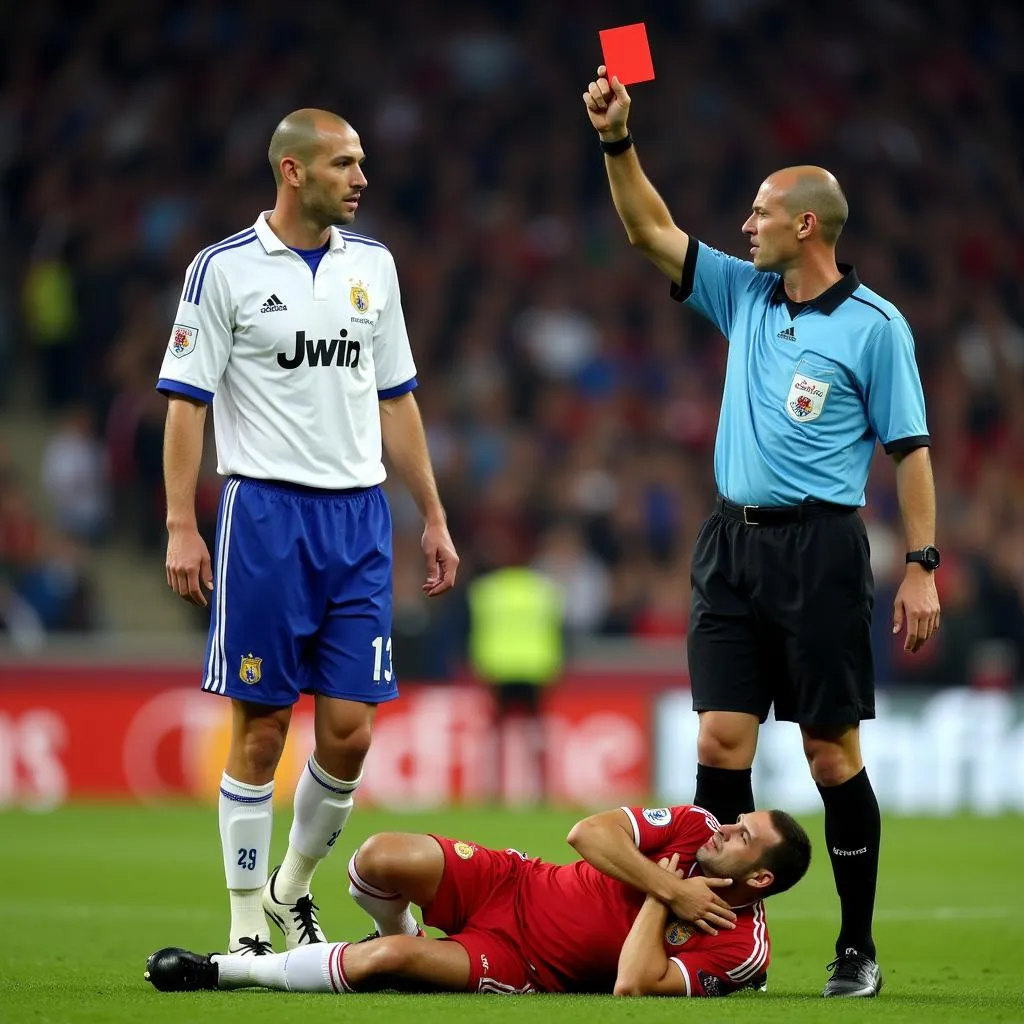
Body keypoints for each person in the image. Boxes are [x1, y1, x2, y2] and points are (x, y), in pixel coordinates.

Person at [582, 69, 943, 998]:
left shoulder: (875, 329)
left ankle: (855, 947)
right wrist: (619, 140)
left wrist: (921, 567)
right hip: (729, 546)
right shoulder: (744, 295)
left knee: (830, 755)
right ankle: (726, 940)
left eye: (759, 214)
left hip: (821, 551)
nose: (745, 226)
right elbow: (647, 230)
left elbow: (910, 451)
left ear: (807, 226)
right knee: (720, 742)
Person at [157, 109, 459, 957]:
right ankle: (248, 917)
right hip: (266, 516)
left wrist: (431, 514)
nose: (362, 177)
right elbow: (186, 402)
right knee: (260, 729)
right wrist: (184, 524)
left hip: (361, 520)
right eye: (344, 163)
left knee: (351, 730)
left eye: (362, 162)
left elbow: (396, 397)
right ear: (293, 171)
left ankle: (294, 883)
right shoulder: (221, 271)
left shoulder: (375, 266)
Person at [145, 802, 812, 997]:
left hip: (523, 964)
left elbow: (633, 984)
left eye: (744, 835)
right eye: (737, 819)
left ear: (759, 880)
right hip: (514, 883)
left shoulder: (740, 949)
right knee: (377, 859)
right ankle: (393, 924)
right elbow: (587, 833)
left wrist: (666, 904)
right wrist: (669, 882)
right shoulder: (692, 827)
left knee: (390, 965)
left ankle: (223, 971)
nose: (727, 827)